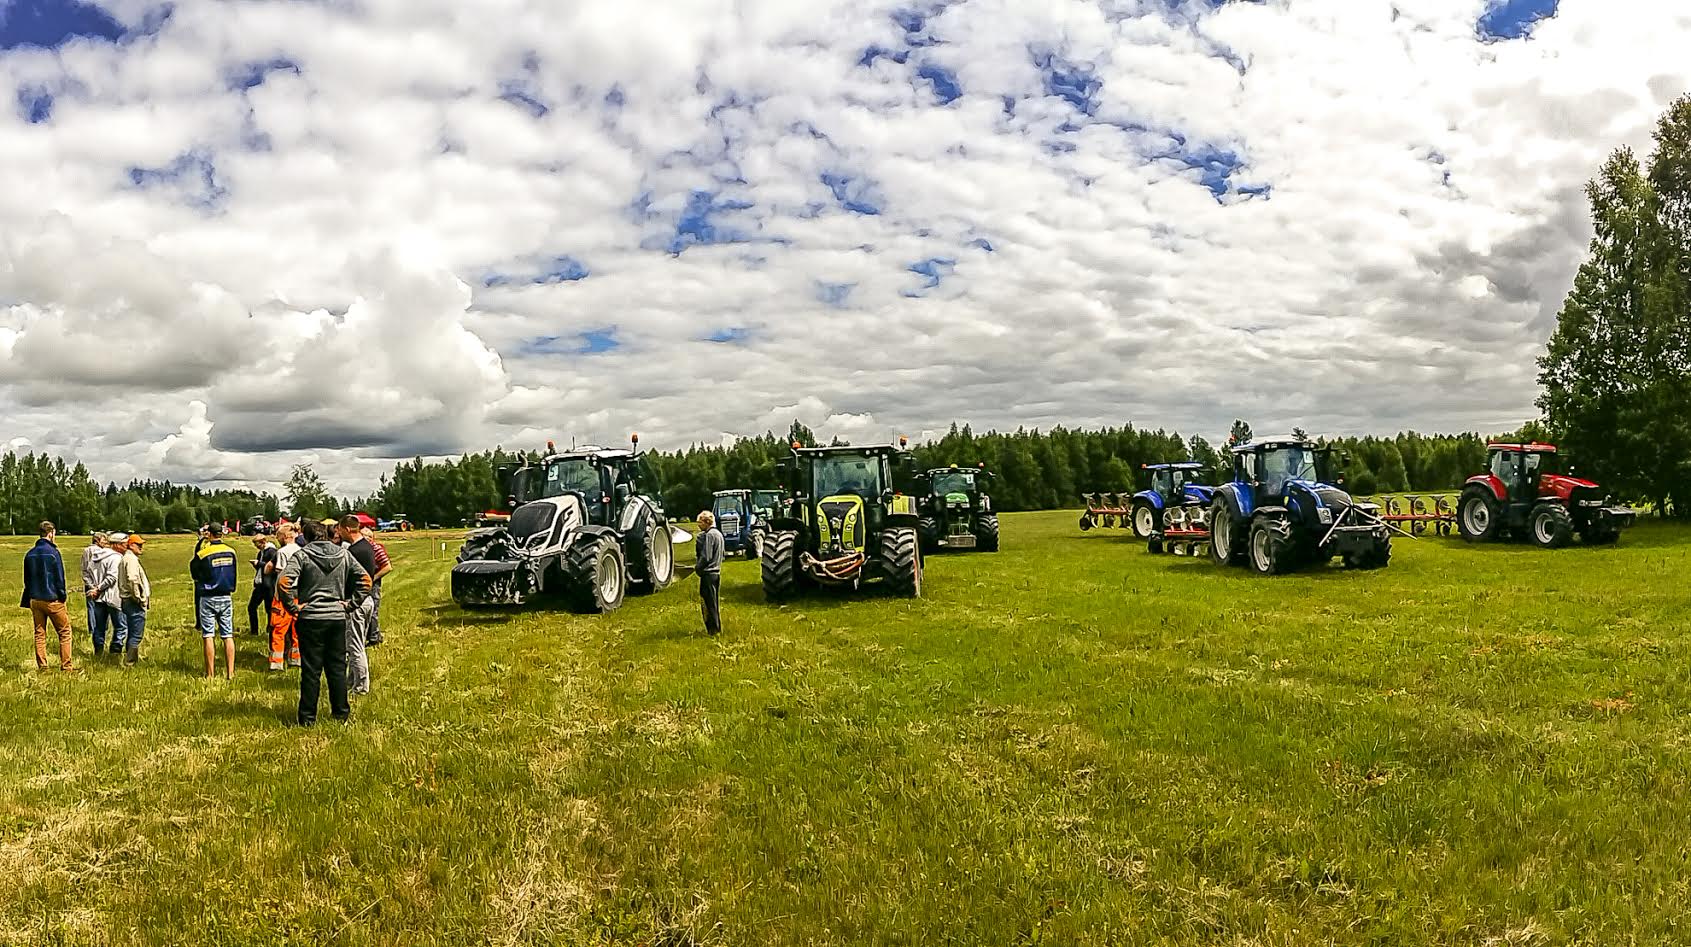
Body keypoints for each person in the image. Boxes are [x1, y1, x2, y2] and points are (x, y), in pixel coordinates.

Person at [280, 518, 372, 725]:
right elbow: (366, 580)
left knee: (311, 671)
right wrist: (350, 604)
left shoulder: (302, 555)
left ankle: (307, 719)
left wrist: (293, 608)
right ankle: (340, 714)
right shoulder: (343, 553)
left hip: (311, 618)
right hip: (337, 617)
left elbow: (284, 582)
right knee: (337, 668)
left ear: (307, 536)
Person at [21, 521, 76, 672]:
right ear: (51, 533)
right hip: (52, 598)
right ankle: (66, 666)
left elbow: (27, 579)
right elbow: (59, 578)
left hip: (35, 599)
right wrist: (62, 596)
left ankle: (43, 666)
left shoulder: (30, 554)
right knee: (64, 632)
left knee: (40, 633)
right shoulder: (53, 553)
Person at [338, 516, 381, 694]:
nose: (338, 533)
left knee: (355, 647)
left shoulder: (356, 551)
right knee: (357, 644)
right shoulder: (366, 546)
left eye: (340, 529)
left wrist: (350, 602)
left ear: (348, 529)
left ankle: (361, 687)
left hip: (357, 602)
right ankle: (352, 681)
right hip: (366, 600)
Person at [191, 524, 239, 679]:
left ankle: (210, 673)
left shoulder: (204, 553)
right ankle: (230, 672)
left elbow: (194, 571)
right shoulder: (231, 551)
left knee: (208, 635)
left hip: (208, 596)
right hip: (226, 595)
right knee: (227, 635)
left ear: (209, 534)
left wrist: (200, 542)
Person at [266, 524, 303, 671]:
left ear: (285, 536)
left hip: (284, 594)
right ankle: (296, 659)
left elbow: (281, 576)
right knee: (297, 629)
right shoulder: (302, 551)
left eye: (278, 536)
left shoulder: (282, 552)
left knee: (279, 629)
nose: (277, 539)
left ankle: (276, 662)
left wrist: (277, 594)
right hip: (299, 593)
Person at [93, 533, 130, 656]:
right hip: (113, 597)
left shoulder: (98, 556)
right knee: (121, 627)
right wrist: (99, 588)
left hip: (98, 599)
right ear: (116, 545)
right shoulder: (116, 558)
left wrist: (94, 589)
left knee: (99, 627)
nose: (127, 547)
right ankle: (115, 651)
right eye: (125, 544)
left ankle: (98, 651)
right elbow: (112, 578)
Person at [117, 534, 151, 666]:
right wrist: (139, 597)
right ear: (131, 545)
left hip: (127, 600)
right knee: (136, 633)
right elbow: (132, 579)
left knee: (132, 631)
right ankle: (130, 662)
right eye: (139, 545)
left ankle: (131, 659)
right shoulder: (130, 559)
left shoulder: (128, 558)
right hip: (132, 601)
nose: (141, 547)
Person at [359, 526, 393, 647]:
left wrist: (373, 578)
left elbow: (388, 567)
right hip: (364, 582)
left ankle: (374, 637)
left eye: (362, 535)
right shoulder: (363, 549)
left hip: (373, 584)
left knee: (373, 610)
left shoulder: (376, 549)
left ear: (369, 538)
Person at [693, 510, 724, 636]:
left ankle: (713, 629)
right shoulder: (719, 534)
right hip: (716, 573)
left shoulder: (710, 535)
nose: (699, 526)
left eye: (700, 522)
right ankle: (716, 628)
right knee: (714, 602)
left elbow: (706, 556)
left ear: (706, 522)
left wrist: (697, 568)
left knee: (708, 604)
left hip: (708, 574)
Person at [79, 532, 107, 644]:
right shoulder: (103, 552)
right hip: (101, 584)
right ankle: (102, 629)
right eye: (104, 540)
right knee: (103, 606)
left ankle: (92, 629)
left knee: (91, 607)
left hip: (90, 583)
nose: (105, 543)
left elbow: (84, 569)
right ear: (97, 540)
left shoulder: (86, 551)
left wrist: (90, 584)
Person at [248, 534, 278, 638]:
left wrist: (259, 563)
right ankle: (254, 630)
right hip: (260, 584)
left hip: (268, 585)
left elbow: (272, 567)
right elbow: (261, 569)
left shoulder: (272, 552)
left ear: (263, 542)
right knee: (251, 607)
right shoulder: (261, 552)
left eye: (257, 544)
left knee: (269, 609)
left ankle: (270, 630)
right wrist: (256, 565)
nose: (256, 547)